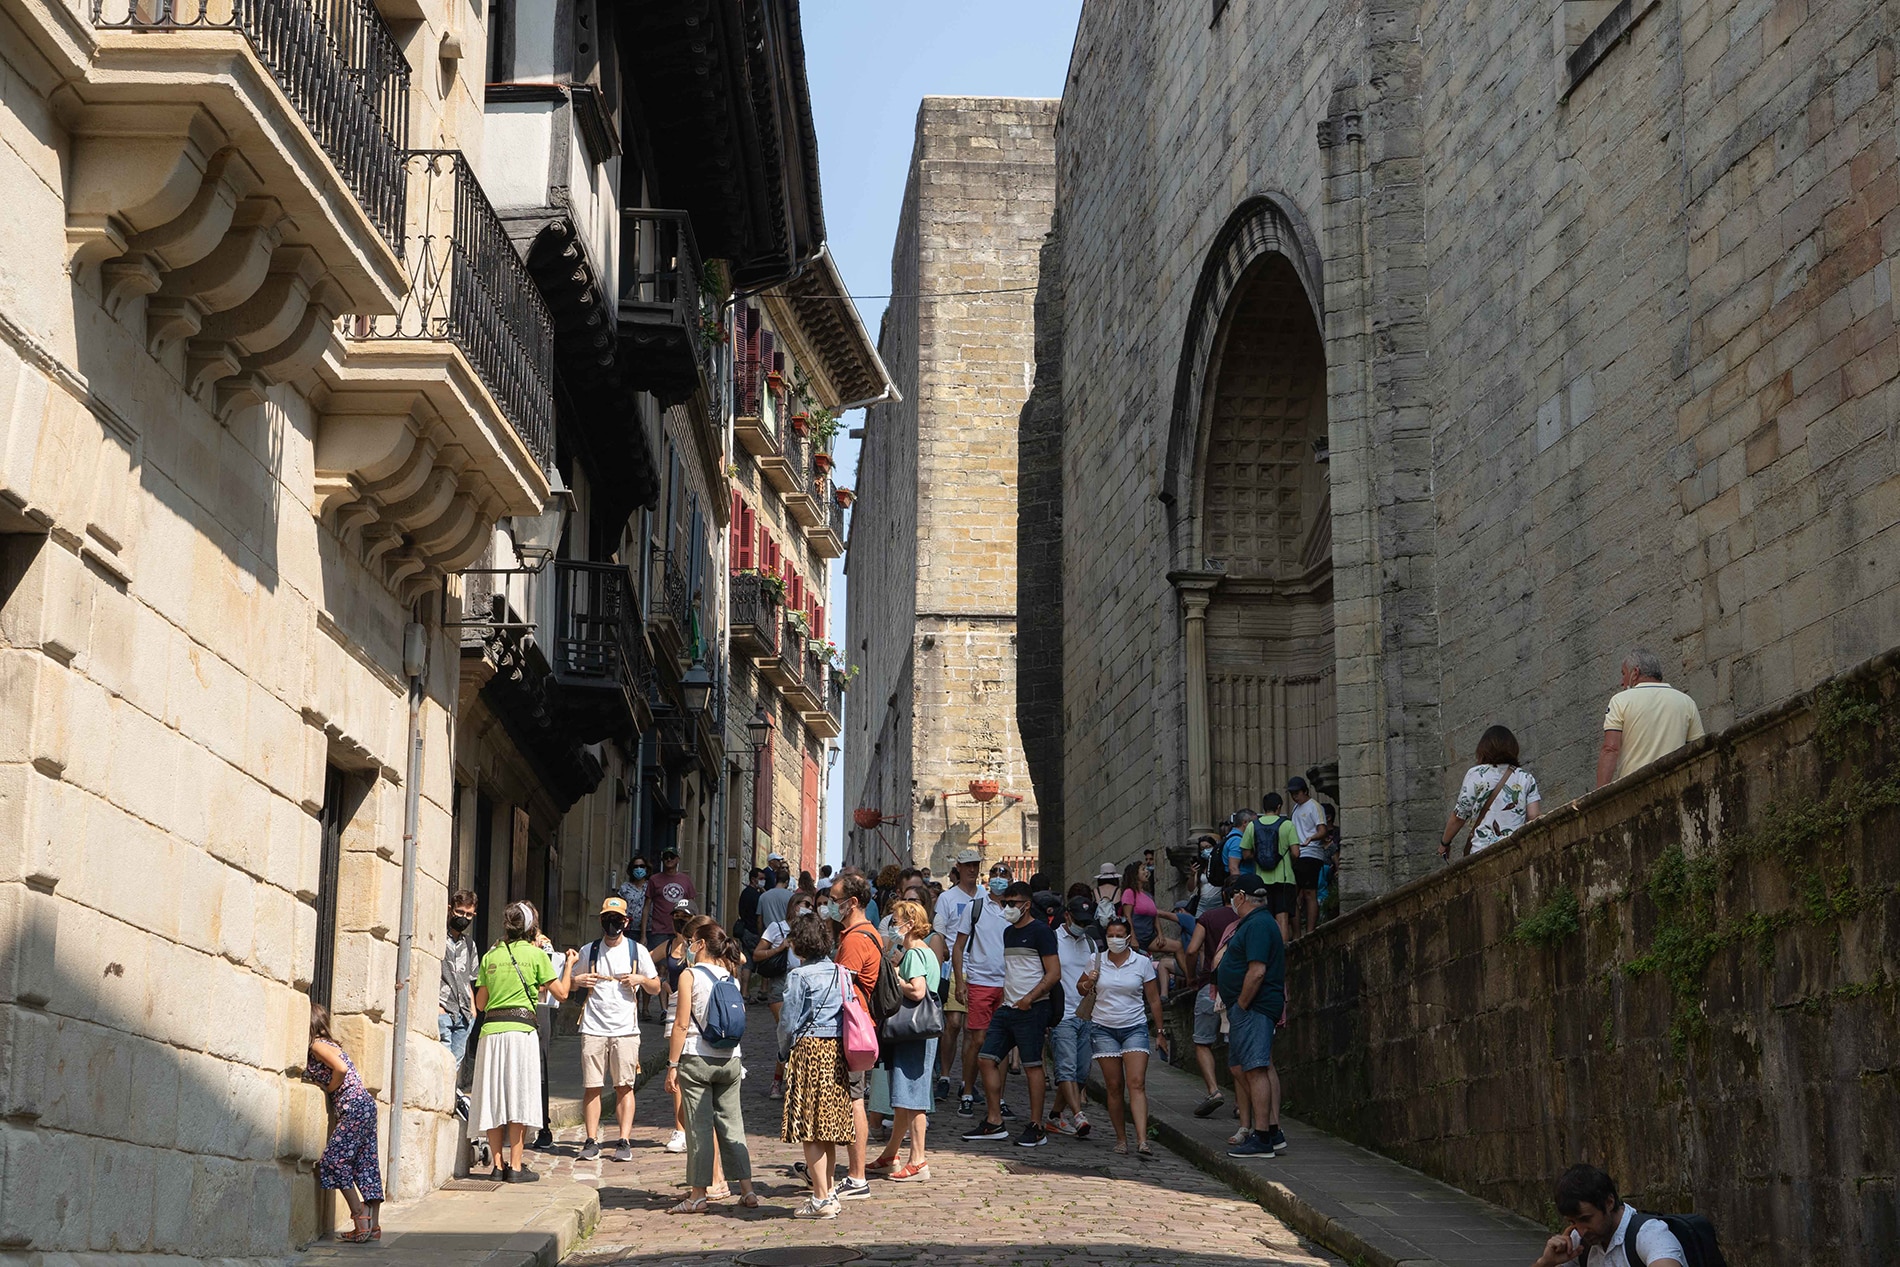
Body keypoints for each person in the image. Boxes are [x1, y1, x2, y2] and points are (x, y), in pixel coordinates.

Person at [470, 901, 575, 1181]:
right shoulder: (536, 954)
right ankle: (516, 1166)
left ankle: (496, 1165)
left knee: (493, 1096)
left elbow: (480, 1003)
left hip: (491, 1033)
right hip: (522, 1031)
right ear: (531, 927)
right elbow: (562, 993)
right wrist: (570, 966)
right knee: (518, 1096)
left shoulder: (491, 956)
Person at [664, 921, 758, 1213]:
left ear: (701, 944)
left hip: (697, 1057)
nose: (689, 945)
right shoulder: (731, 975)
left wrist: (672, 1064)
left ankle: (697, 1195)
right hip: (730, 1059)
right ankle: (748, 1190)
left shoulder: (689, 975)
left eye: (692, 940)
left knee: (699, 1127)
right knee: (733, 1124)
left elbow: (681, 1024)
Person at [962, 881, 1059, 1147]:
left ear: (1026, 905)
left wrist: (1030, 998)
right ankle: (994, 1121)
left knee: (1032, 1066)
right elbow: (1013, 970)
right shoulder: (1009, 933)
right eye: (1005, 903)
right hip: (1009, 1007)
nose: (1007, 908)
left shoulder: (1041, 932)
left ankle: (1036, 1126)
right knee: (985, 1058)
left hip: (1033, 1007)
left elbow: (1053, 973)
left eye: (1012, 903)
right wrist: (1009, 998)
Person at [573, 896, 659, 1162]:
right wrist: (578, 979)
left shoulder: (637, 951)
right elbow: (572, 983)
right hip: (594, 1025)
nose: (613, 924)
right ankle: (591, 1140)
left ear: (626, 921)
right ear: (601, 921)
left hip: (625, 1028)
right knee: (592, 1086)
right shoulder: (590, 950)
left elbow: (656, 987)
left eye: (618, 919)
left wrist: (640, 979)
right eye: (608, 919)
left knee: (624, 1086)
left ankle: (623, 1140)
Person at [778, 914, 852, 1219]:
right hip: (836, 1051)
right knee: (828, 1128)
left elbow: (787, 1022)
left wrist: (783, 1054)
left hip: (809, 1050)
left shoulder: (799, 976)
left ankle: (821, 1199)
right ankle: (828, 1192)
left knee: (810, 1128)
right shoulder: (841, 972)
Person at [866, 899, 939, 1181]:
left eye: (896, 922)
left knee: (913, 1097)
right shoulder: (926, 951)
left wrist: (895, 977)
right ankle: (891, 1154)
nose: (893, 926)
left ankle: (918, 1160)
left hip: (912, 1031)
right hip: (920, 1031)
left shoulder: (914, 954)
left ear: (909, 925)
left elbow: (917, 991)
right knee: (904, 1098)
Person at [1078, 915, 1162, 1157]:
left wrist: (1159, 1031)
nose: (1114, 939)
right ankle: (1120, 1138)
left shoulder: (1141, 962)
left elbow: (1154, 998)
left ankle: (1142, 1140)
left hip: (1134, 1027)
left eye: (1119, 935)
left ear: (1128, 937)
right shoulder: (1096, 960)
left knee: (1137, 1083)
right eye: (1110, 935)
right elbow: (1079, 988)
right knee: (1114, 1086)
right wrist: (1089, 982)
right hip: (1103, 1028)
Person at [1217, 875, 1287, 1157]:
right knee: (1243, 1066)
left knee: (1256, 1067)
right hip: (1247, 1007)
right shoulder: (1255, 923)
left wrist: (1243, 1004)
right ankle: (1271, 1131)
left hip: (1254, 1007)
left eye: (1233, 896)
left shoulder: (1258, 923)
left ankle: (1261, 1137)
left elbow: (1256, 970)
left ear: (1241, 896)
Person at [304, 1003, 383, 1241]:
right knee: (366, 1163)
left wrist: (330, 1088)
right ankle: (374, 1226)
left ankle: (359, 1215)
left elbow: (340, 1069)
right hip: (365, 1106)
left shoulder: (317, 1045)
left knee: (334, 1161)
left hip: (354, 1107)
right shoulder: (330, 1044)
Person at [827, 871, 883, 1200]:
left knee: (854, 1100)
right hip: (860, 1026)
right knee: (853, 1099)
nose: (831, 906)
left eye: (835, 901)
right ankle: (851, 1172)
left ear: (853, 902)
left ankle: (857, 1176)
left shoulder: (854, 940)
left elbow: (841, 990)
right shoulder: (864, 934)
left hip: (853, 1029)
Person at [1531, 1163, 1688, 1267]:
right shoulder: (1578, 1243)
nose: (1580, 1231)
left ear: (1609, 1202)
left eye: (1586, 1219)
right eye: (1572, 1222)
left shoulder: (1650, 1234)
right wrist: (1545, 1263)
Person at [951, 862, 1013, 1118]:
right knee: (976, 1039)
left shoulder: (1015, 910)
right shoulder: (975, 908)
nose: (999, 878)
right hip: (979, 981)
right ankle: (967, 1090)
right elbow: (958, 946)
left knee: (1004, 1044)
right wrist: (960, 981)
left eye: (1004, 873)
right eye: (995, 873)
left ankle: (998, 1099)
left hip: (1009, 985)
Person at [1597, 648, 1706, 788]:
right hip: (1676, 787)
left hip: (1633, 789)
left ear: (1635, 673)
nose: (1621, 682)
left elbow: (1610, 748)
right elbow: (1698, 749)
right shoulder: (1687, 702)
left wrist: (1598, 798)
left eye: (1623, 674)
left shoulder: (1620, 701)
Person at [1442, 725, 1543, 860]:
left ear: (1483, 748)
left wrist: (1445, 843)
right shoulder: (1526, 778)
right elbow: (1534, 816)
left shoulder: (1476, 774)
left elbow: (1459, 816)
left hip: (1481, 853)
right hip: (1515, 852)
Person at [1185, 878, 1240, 1117]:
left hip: (1209, 985)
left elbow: (1191, 949)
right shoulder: (1250, 918)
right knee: (1236, 1046)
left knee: (1202, 1041)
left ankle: (1214, 1090)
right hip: (1238, 989)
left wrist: (1190, 974)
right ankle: (1241, 1102)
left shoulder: (1208, 917)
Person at [1045, 896, 1099, 1138]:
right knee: (1066, 1068)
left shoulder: (1090, 944)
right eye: (1078, 920)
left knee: (1081, 1072)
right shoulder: (1052, 939)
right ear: (1067, 915)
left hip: (1085, 1014)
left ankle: (1055, 1115)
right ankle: (1078, 1116)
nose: (1082, 925)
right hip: (1062, 1013)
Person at [754, 888, 815, 1098]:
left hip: (805, 985)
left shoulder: (811, 931)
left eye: (811, 906)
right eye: (804, 904)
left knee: (798, 1036)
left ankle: (786, 1081)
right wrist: (779, 948)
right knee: (787, 1034)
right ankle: (780, 1082)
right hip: (781, 983)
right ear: (794, 906)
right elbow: (757, 955)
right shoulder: (776, 927)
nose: (807, 909)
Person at [933, 850, 982, 1101]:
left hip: (981, 969)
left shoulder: (985, 896)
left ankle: (968, 1081)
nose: (972, 870)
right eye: (968, 865)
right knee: (952, 1023)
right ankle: (944, 1075)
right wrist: (941, 951)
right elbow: (940, 930)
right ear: (959, 868)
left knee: (972, 1030)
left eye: (976, 865)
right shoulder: (947, 898)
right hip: (955, 966)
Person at [657, 899, 696, 1153]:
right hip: (674, 1007)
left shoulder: (700, 944)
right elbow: (645, 959)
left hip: (697, 1006)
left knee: (695, 1066)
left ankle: (697, 1125)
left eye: (684, 917)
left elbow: (737, 957)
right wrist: (659, 980)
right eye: (676, 916)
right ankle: (680, 1129)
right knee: (678, 1068)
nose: (679, 921)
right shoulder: (670, 944)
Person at [1252, 794, 1300, 940]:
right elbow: (1296, 853)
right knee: (1283, 918)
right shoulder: (1287, 824)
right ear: (1279, 807)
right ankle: (1283, 955)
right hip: (1284, 878)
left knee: (1263, 918)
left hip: (1261, 880)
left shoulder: (1252, 825)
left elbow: (1246, 852)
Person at [439, 890, 479, 1065]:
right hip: (443, 1009)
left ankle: (448, 1093)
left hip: (464, 1014)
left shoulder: (469, 944)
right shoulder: (438, 939)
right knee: (442, 1062)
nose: (464, 917)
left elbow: (468, 978)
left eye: (469, 914)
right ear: (450, 909)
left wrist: (473, 1009)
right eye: (460, 912)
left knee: (454, 1065)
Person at [1287, 777, 1328, 938]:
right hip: (1298, 853)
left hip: (1311, 853)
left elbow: (1322, 830)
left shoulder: (1314, 806)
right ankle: (1297, 933)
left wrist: (1312, 838)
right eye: (1292, 794)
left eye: (1297, 793)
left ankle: (1310, 932)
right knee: (1292, 895)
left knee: (1310, 892)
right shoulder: (1296, 808)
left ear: (1305, 791)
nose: (1295, 797)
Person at [615, 854, 651, 943]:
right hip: (629, 929)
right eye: (636, 866)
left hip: (649, 930)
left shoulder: (651, 886)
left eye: (642, 866)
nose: (639, 869)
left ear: (646, 868)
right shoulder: (625, 888)